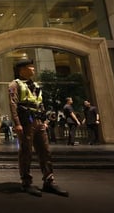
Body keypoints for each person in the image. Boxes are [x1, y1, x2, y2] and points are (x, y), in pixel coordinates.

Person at [8, 58, 68, 197]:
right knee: (26, 151)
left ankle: (49, 181)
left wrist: (45, 120)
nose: (33, 69)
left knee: (45, 151)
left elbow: (40, 103)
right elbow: (13, 104)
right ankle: (26, 182)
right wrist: (17, 123)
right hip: (25, 121)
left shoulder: (35, 85)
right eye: (30, 67)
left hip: (39, 121)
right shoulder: (14, 85)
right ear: (22, 70)